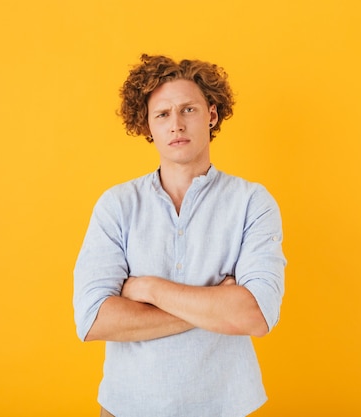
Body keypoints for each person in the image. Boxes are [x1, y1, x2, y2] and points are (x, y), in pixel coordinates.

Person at [73, 54, 286, 417]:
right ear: (148, 126)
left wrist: (149, 289)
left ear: (212, 115)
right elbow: (94, 320)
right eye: (162, 114)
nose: (176, 125)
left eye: (188, 109)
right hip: (127, 407)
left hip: (227, 406)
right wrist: (216, 302)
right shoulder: (117, 205)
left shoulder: (252, 202)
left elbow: (255, 315)